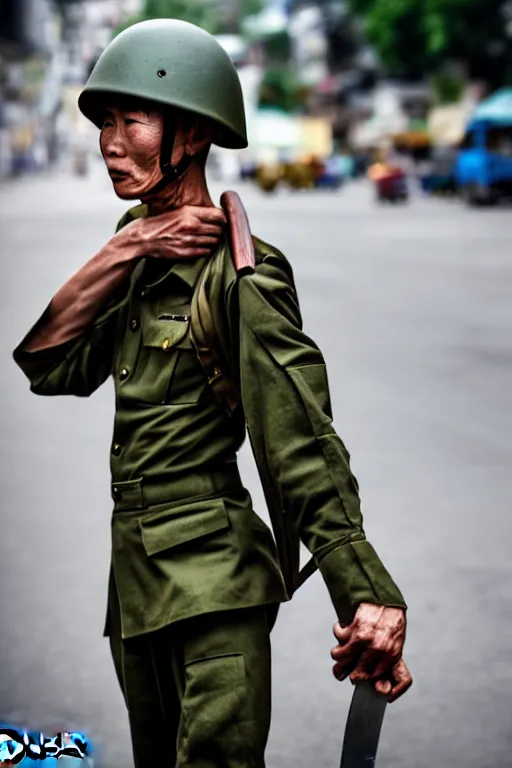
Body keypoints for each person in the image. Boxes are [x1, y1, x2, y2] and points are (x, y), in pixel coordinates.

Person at [13, 19, 412, 768]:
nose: (110, 141)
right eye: (105, 121)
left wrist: (366, 591)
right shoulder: (135, 254)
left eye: (132, 120)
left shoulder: (241, 275)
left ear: (191, 134)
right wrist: (129, 244)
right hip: (135, 595)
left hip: (214, 592)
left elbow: (299, 440)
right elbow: (50, 365)